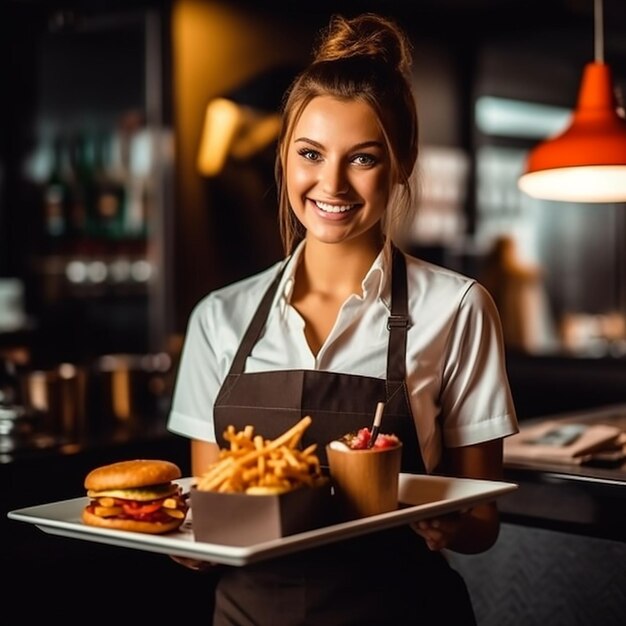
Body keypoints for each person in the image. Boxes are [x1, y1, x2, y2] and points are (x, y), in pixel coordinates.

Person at [168, 12, 519, 626]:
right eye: (310, 153)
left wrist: (448, 523)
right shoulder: (216, 319)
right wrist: (188, 547)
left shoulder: (459, 309)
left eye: (362, 158)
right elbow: (213, 513)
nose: (330, 183)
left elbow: (483, 523)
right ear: (285, 157)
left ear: (402, 163)